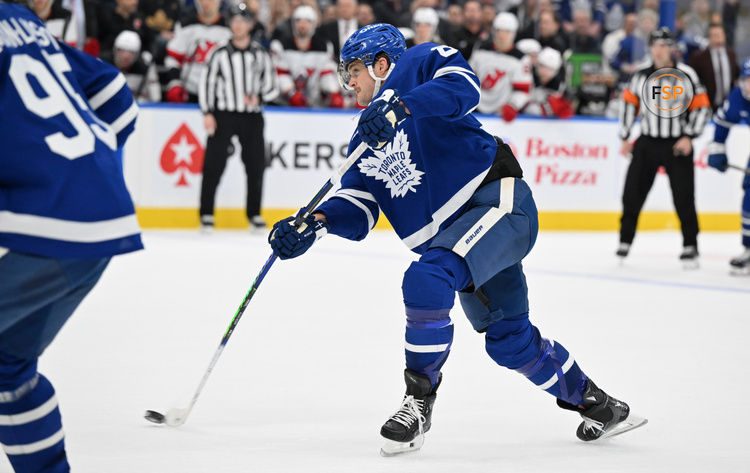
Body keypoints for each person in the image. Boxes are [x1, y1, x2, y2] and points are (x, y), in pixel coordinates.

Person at [268, 23, 646, 456]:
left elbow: (463, 88)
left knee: (426, 279)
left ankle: (418, 402)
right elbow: (358, 208)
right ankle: (598, 404)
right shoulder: (364, 138)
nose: (347, 81)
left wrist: (401, 108)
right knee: (510, 343)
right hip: (457, 242)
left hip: (497, 205)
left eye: (353, 69)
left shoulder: (419, 63)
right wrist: (314, 222)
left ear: (381, 64)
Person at [0, 2, 142, 472]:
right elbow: (117, 96)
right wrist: (80, 170)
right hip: (101, 216)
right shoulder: (27, 29)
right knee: (8, 370)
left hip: (39, 223)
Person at [617, 27, 711, 266]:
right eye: (656, 45)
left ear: (672, 49)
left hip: (676, 142)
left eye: (665, 45)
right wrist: (626, 137)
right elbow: (628, 105)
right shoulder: (639, 75)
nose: (660, 50)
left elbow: (702, 107)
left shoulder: (686, 74)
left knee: (684, 197)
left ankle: (690, 244)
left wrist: (690, 136)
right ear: (650, 48)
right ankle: (624, 241)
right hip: (647, 142)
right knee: (632, 194)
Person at [199, 3, 279, 232]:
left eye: (243, 21)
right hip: (223, 115)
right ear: (230, 24)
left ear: (250, 25)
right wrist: (207, 113)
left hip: (252, 117)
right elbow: (207, 84)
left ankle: (253, 213)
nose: (238, 25)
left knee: (255, 166)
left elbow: (272, 85)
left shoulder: (260, 54)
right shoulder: (219, 53)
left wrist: (260, 97)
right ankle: (206, 213)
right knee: (213, 165)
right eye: (235, 21)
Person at [706, 58, 750, 274]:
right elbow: (722, 123)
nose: (749, 86)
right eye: (746, 80)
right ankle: (749, 251)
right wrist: (717, 148)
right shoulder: (738, 97)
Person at [164, 0, 231, 103]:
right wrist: (175, 83)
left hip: (220, 93)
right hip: (190, 92)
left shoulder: (230, 28)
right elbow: (173, 58)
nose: (206, 3)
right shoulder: (185, 24)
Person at [469, 12, 532, 121]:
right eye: (499, 31)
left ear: (513, 34)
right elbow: (467, 76)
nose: (502, 35)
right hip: (475, 107)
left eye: (507, 32)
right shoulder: (481, 49)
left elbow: (523, 90)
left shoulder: (521, 59)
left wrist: (512, 105)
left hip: (500, 113)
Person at [688, 23, 740, 112]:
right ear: (709, 38)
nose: (718, 38)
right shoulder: (699, 57)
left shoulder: (731, 54)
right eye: (715, 35)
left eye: (720, 35)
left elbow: (736, 75)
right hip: (706, 106)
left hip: (728, 106)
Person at [113, 30, 162, 102]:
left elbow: (156, 97)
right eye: (121, 50)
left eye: (131, 52)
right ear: (115, 50)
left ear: (137, 54)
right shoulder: (104, 65)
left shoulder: (146, 67)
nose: (126, 56)